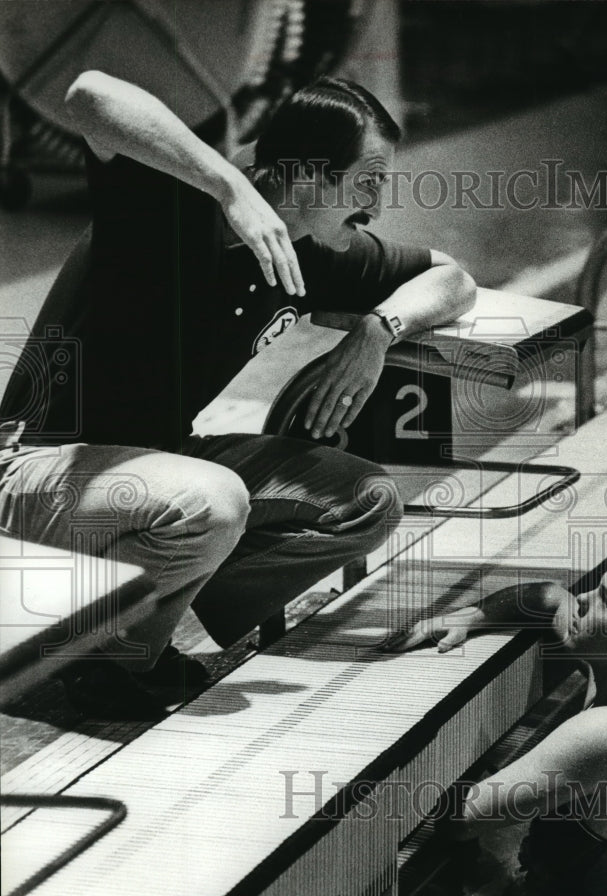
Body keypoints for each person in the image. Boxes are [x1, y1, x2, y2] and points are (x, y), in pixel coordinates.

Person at [0, 71, 476, 719]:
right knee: (212, 502)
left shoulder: (315, 251)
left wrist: (376, 330)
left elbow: (452, 278)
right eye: (366, 182)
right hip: (36, 471)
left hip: (157, 467)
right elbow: (86, 93)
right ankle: (110, 663)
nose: (378, 205)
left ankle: (136, 615)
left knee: (367, 502)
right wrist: (230, 186)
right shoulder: (167, 210)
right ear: (307, 177)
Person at [382, 549, 607, 896]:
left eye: (603, 601)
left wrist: (464, 755)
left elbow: (460, 821)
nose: (582, 599)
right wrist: (470, 617)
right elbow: (549, 596)